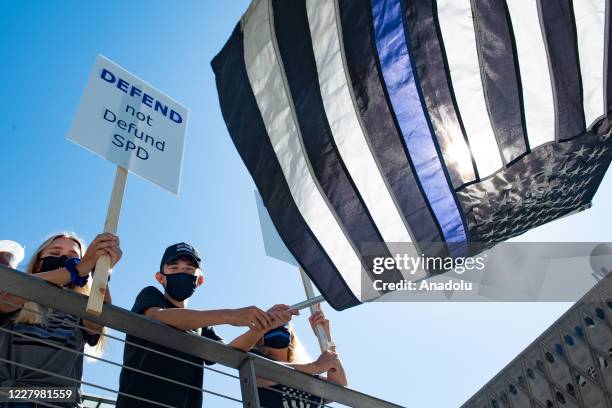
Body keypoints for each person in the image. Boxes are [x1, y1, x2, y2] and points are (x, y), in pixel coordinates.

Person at [116, 242, 297, 408]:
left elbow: (229, 352)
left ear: (199, 280)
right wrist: (230, 315)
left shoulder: (202, 326)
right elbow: (158, 316)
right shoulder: (151, 296)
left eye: (189, 269)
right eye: (174, 268)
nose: (182, 272)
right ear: (160, 277)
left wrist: (263, 324)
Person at [0, 232, 122, 408]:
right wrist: (78, 268)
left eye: (74, 257)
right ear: (38, 263)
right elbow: (12, 294)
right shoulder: (16, 296)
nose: (64, 258)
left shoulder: (80, 309)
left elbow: (98, 321)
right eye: (55, 254)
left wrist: (102, 270)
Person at [253, 305, 348, 407]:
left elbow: (340, 387)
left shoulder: (309, 373)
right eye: (272, 321)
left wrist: (326, 337)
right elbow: (268, 372)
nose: (279, 324)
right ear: (259, 337)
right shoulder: (254, 362)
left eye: (284, 322)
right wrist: (314, 367)